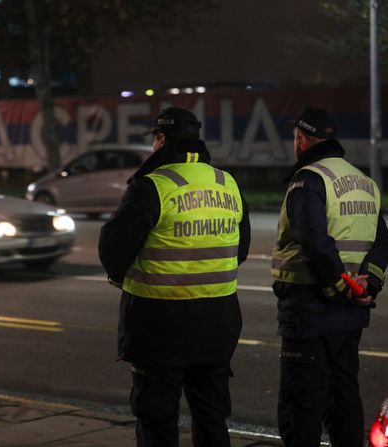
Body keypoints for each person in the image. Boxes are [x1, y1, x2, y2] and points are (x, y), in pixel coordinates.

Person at [98, 107, 251, 446]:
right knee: (211, 417)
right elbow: (241, 250)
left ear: (162, 139)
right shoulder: (228, 183)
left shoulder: (153, 186)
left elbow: (113, 247)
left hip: (159, 325)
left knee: (157, 421)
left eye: (155, 139)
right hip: (218, 322)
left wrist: (122, 278)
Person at [272, 106, 388, 446]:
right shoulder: (364, 182)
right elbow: (382, 240)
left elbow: (314, 242)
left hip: (310, 308)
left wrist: (340, 286)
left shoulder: (308, 179)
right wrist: (370, 283)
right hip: (351, 311)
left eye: (295, 138)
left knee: (300, 405)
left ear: (302, 139)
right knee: (342, 397)